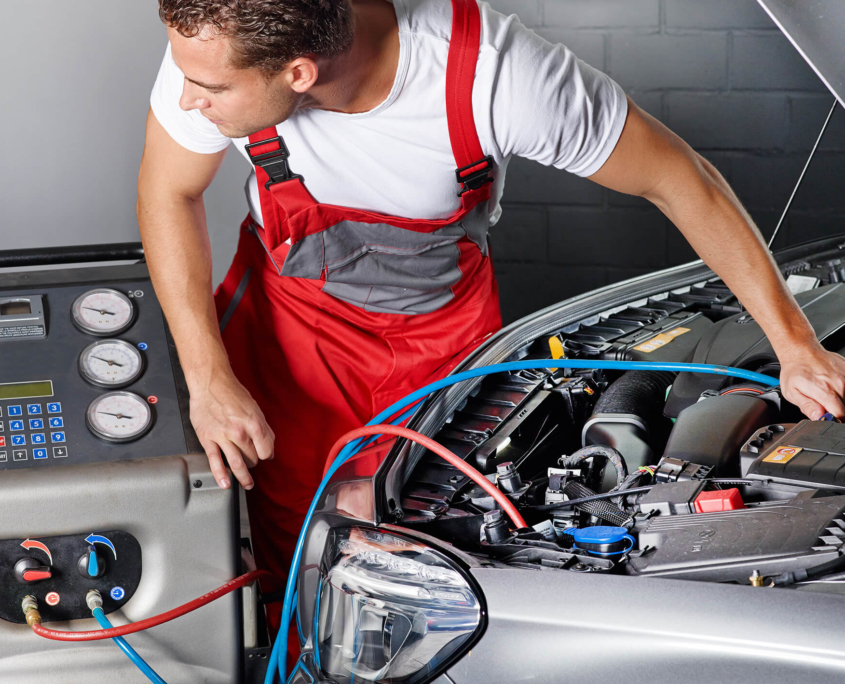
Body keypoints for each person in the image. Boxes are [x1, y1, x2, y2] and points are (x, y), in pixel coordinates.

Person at [138, 0, 845, 610]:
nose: (190, 98)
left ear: (299, 73)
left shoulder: (495, 77)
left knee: (419, 547)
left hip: (438, 343)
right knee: (291, 553)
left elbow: (680, 179)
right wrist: (208, 377)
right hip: (284, 330)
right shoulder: (211, 42)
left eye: (210, 89)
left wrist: (793, 345)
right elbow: (169, 191)